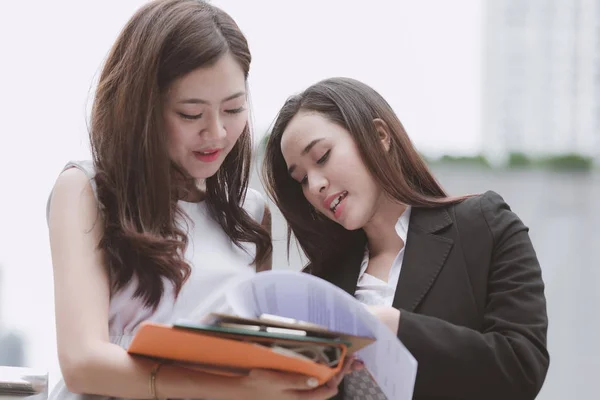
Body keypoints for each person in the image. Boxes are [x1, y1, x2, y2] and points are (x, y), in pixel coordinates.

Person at [46, 1, 354, 399]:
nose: (218, 132)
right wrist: (234, 388)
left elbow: (252, 358)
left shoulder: (250, 214)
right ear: (142, 109)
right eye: (191, 114)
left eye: (233, 108)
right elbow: (83, 364)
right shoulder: (87, 189)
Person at [261, 77, 550, 399]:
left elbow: (522, 366)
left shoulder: (483, 224)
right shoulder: (318, 284)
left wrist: (393, 326)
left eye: (322, 156)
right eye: (301, 179)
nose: (314, 186)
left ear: (379, 135)